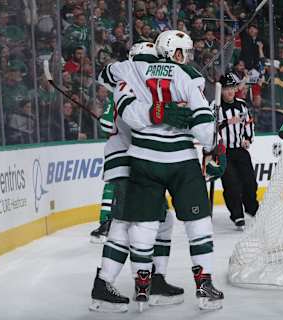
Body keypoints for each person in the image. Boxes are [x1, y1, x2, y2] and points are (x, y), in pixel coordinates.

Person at [113, 31, 225, 310]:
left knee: (145, 223)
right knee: (198, 224)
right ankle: (203, 286)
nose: (187, 57)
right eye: (184, 52)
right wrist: (213, 143)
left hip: (142, 157)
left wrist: (154, 113)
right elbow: (201, 122)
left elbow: (128, 113)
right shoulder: (188, 75)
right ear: (175, 52)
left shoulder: (137, 72)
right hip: (180, 160)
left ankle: (143, 287)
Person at [89, 42, 199, 312]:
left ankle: (154, 279)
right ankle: (104, 285)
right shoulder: (142, 81)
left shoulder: (123, 79)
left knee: (161, 219)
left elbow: (104, 79)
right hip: (132, 162)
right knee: (126, 224)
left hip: (134, 162)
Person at [217, 72, 258, 230]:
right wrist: (227, 122)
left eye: (232, 88)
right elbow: (209, 128)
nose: (229, 92)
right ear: (221, 90)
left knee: (250, 182)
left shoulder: (241, 105)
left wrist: (248, 139)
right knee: (232, 184)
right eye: (226, 88)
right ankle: (237, 215)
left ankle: (251, 208)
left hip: (240, 150)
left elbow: (249, 124)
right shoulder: (216, 106)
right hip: (223, 152)